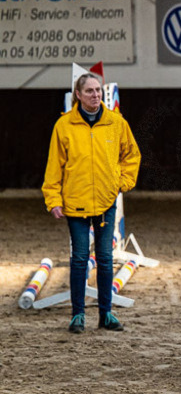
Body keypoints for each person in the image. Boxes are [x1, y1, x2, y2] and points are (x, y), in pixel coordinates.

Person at [42, 72, 141, 333]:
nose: (95, 95)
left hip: (106, 202)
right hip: (75, 203)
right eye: (89, 91)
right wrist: (53, 199)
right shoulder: (63, 126)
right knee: (79, 259)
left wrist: (123, 182)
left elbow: (132, 155)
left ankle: (106, 314)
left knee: (106, 259)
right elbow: (54, 167)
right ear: (78, 95)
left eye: (98, 90)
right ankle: (77, 315)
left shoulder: (116, 123)